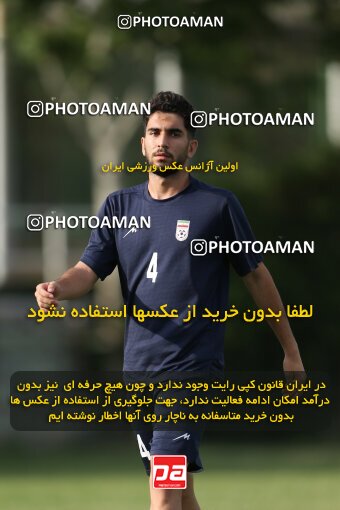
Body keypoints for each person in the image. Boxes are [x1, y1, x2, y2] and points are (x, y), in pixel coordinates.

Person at [35, 91, 305, 510]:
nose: (163, 141)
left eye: (174, 134)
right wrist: (55, 287)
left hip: (191, 371)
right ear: (142, 144)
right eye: (154, 133)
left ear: (191, 146)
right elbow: (87, 271)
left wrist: (290, 350)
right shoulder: (119, 206)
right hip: (139, 371)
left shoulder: (217, 206)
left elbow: (256, 276)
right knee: (179, 493)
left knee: (161, 499)